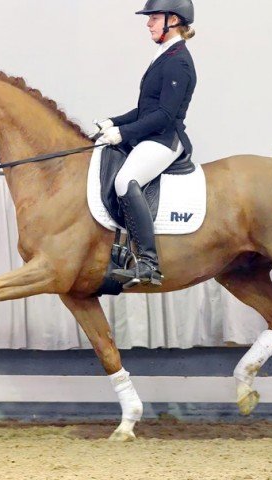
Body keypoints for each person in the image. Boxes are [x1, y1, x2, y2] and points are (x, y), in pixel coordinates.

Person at [99, 0, 197, 288]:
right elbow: (145, 109)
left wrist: (124, 133)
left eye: (154, 18)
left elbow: (164, 115)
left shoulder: (179, 61)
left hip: (166, 138)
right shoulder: (165, 55)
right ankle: (117, 252)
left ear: (174, 20)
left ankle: (148, 263)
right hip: (152, 133)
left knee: (125, 180)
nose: (148, 23)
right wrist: (113, 122)